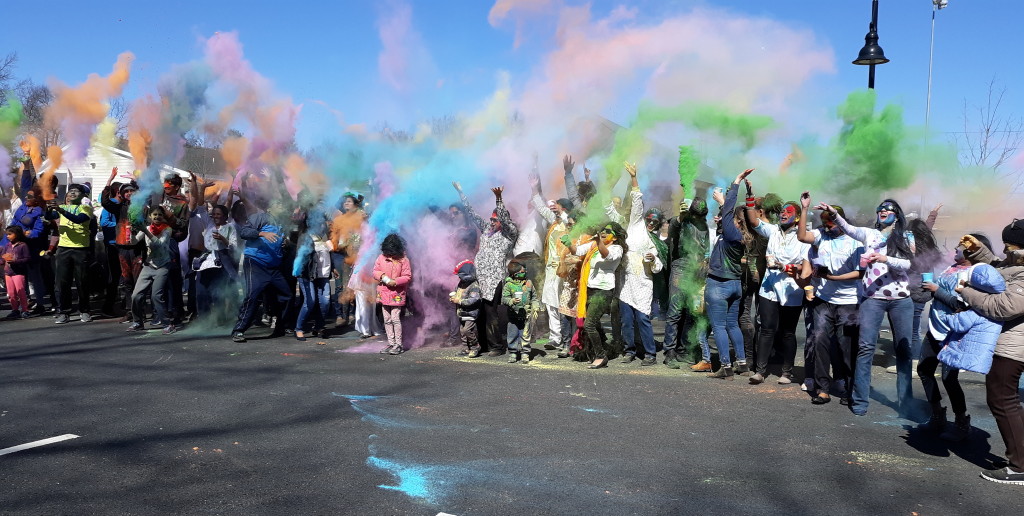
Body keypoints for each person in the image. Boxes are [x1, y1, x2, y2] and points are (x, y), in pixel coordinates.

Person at [818, 198, 916, 417]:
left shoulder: (906, 236)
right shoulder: (869, 234)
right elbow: (847, 228)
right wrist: (833, 213)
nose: (883, 212)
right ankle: (860, 400)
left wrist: (884, 258)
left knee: (903, 351)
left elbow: (909, 264)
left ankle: (905, 402)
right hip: (873, 298)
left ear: (896, 214)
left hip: (901, 300)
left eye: (888, 209)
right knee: (865, 348)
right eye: (880, 209)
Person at [957, 225, 1024, 485]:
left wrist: (966, 291)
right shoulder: (1017, 263)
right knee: (1006, 400)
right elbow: (1000, 270)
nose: (1005, 249)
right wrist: (978, 251)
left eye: (1008, 244)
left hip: (1014, 347)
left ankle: (1019, 467)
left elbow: (1003, 306)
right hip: (1012, 343)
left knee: (1002, 399)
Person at [797, 193, 863, 405]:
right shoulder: (820, 235)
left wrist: (834, 277)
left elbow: (860, 272)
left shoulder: (855, 242)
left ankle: (850, 389)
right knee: (820, 342)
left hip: (848, 300)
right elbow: (801, 237)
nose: (826, 227)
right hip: (823, 299)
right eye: (824, 223)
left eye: (830, 222)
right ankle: (822, 389)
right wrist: (804, 209)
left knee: (846, 345)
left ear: (840, 222)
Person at [746, 188, 808, 384]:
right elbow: (754, 221)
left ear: (797, 218)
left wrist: (785, 266)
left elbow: (805, 266)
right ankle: (760, 371)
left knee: (788, 332)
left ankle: (787, 372)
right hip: (769, 287)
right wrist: (749, 197)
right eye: (782, 211)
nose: (783, 214)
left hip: (792, 289)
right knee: (766, 329)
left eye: (789, 212)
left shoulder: (803, 238)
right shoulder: (772, 230)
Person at [607, 163, 664, 366]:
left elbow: (658, 268)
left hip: (642, 284)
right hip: (624, 283)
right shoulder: (633, 226)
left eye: (654, 223)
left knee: (642, 319)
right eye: (649, 220)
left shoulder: (654, 242)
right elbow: (628, 205)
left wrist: (652, 259)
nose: (650, 224)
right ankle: (629, 350)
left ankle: (650, 354)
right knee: (626, 321)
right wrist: (623, 182)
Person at [454, 183, 519, 356]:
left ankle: (496, 346)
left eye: (494, 220)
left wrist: (499, 199)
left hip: (495, 279)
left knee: (491, 312)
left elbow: (504, 219)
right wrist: (462, 193)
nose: (491, 222)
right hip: (480, 278)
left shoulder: (509, 234)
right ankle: (479, 344)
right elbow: (472, 214)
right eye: (490, 219)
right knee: (479, 311)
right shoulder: (486, 231)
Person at [703, 170, 754, 379]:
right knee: (732, 324)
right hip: (734, 285)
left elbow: (728, 210)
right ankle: (741, 363)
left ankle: (725, 366)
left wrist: (736, 183)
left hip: (719, 284)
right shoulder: (738, 235)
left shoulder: (733, 233)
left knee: (719, 326)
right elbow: (725, 221)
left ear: (737, 221)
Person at [562, 221, 626, 369]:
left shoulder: (617, 248)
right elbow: (576, 251)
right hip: (589, 289)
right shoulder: (593, 246)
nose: (603, 232)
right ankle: (600, 350)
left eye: (608, 231)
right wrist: (568, 243)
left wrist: (598, 241)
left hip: (603, 291)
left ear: (615, 237)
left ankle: (601, 355)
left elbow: (607, 256)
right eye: (603, 229)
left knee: (589, 325)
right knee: (594, 324)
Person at [231, 194, 291, 343]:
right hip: (256, 263)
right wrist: (261, 233)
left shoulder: (281, 223)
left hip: (274, 267)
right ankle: (239, 330)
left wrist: (286, 245)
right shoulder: (259, 218)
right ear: (270, 208)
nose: (282, 207)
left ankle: (281, 326)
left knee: (287, 295)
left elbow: (282, 243)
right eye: (279, 205)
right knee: (253, 296)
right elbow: (244, 232)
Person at [663, 196, 711, 370]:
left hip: (696, 272)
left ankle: (684, 349)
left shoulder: (704, 226)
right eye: (696, 215)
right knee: (674, 312)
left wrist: (704, 265)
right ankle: (669, 352)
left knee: (692, 312)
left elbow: (706, 249)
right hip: (680, 269)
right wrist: (680, 217)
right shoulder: (682, 222)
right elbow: (672, 230)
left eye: (702, 215)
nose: (699, 218)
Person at [46, 183, 94, 324]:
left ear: (83, 196)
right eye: (70, 191)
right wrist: (49, 210)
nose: (72, 193)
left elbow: (78, 219)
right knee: (62, 282)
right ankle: (64, 312)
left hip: (81, 249)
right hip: (63, 249)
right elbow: (49, 216)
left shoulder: (85, 207)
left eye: (76, 192)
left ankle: (84, 311)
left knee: (82, 282)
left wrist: (60, 209)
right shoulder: (64, 208)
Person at [125, 207, 175, 333]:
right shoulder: (147, 228)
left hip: (162, 266)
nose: (157, 217)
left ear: (163, 217)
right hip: (148, 266)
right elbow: (134, 242)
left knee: (156, 296)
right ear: (150, 217)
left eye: (159, 215)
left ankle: (167, 324)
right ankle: (137, 322)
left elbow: (159, 244)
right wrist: (131, 233)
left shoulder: (167, 229)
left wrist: (145, 231)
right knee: (136, 295)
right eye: (154, 215)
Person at [11, 186, 51, 313]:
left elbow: (38, 231)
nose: (26, 198)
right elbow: (14, 223)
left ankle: (40, 303)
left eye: (30, 196)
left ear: (37, 199)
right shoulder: (22, 207)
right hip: (19, 247)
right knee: (21, 276)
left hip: (32, 248)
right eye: (26, 196)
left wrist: (28, 234)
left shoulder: (40, 212)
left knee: (35, 276)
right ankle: (26, 301)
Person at [372, 233, 412, 355]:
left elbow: (407, 276)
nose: (390, 255)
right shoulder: (381, 258)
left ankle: (398, 344)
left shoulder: (404, 260)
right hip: (384, 293)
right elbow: (375, 271)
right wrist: (382, 276)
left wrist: (396, 281)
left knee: (395, 318)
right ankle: (391, 342)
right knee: (387, 319)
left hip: (397, 293)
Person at [502, 260, 537, 363]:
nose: (524, 273)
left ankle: (525, 353)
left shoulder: (529, 283)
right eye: (522, 271)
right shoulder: (508, 285)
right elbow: (504, 299)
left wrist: (535, 307)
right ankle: (513, 352)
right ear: (514, 274)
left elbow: (534, 297)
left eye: (524, 271)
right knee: (512, 334)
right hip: (513, 316)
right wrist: (511, 301)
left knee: (525, 334)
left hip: (526, 315)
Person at [451, 260, 483, 358]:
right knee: (462, 332)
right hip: (462, 313)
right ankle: (465, 348)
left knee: (467, 330)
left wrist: (459, 301)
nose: (459, 277)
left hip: (470, 313)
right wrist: (453, 297)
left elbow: (473, 300)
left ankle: (475, 346)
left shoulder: (474, 286)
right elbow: (456, 291)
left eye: (460, 275)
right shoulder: (461, 283)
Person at [2, 226, 31, 319]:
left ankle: (25, 309)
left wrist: (15, 261)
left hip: (18, 272)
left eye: (10, 234)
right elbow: (2, 259)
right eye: (7, 234)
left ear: (17, 234)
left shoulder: (23, 245)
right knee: (11, 293)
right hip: (8, 272)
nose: (8, 236)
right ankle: (15, 309)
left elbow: (27, 259)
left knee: (20, 291)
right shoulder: (7, 246)